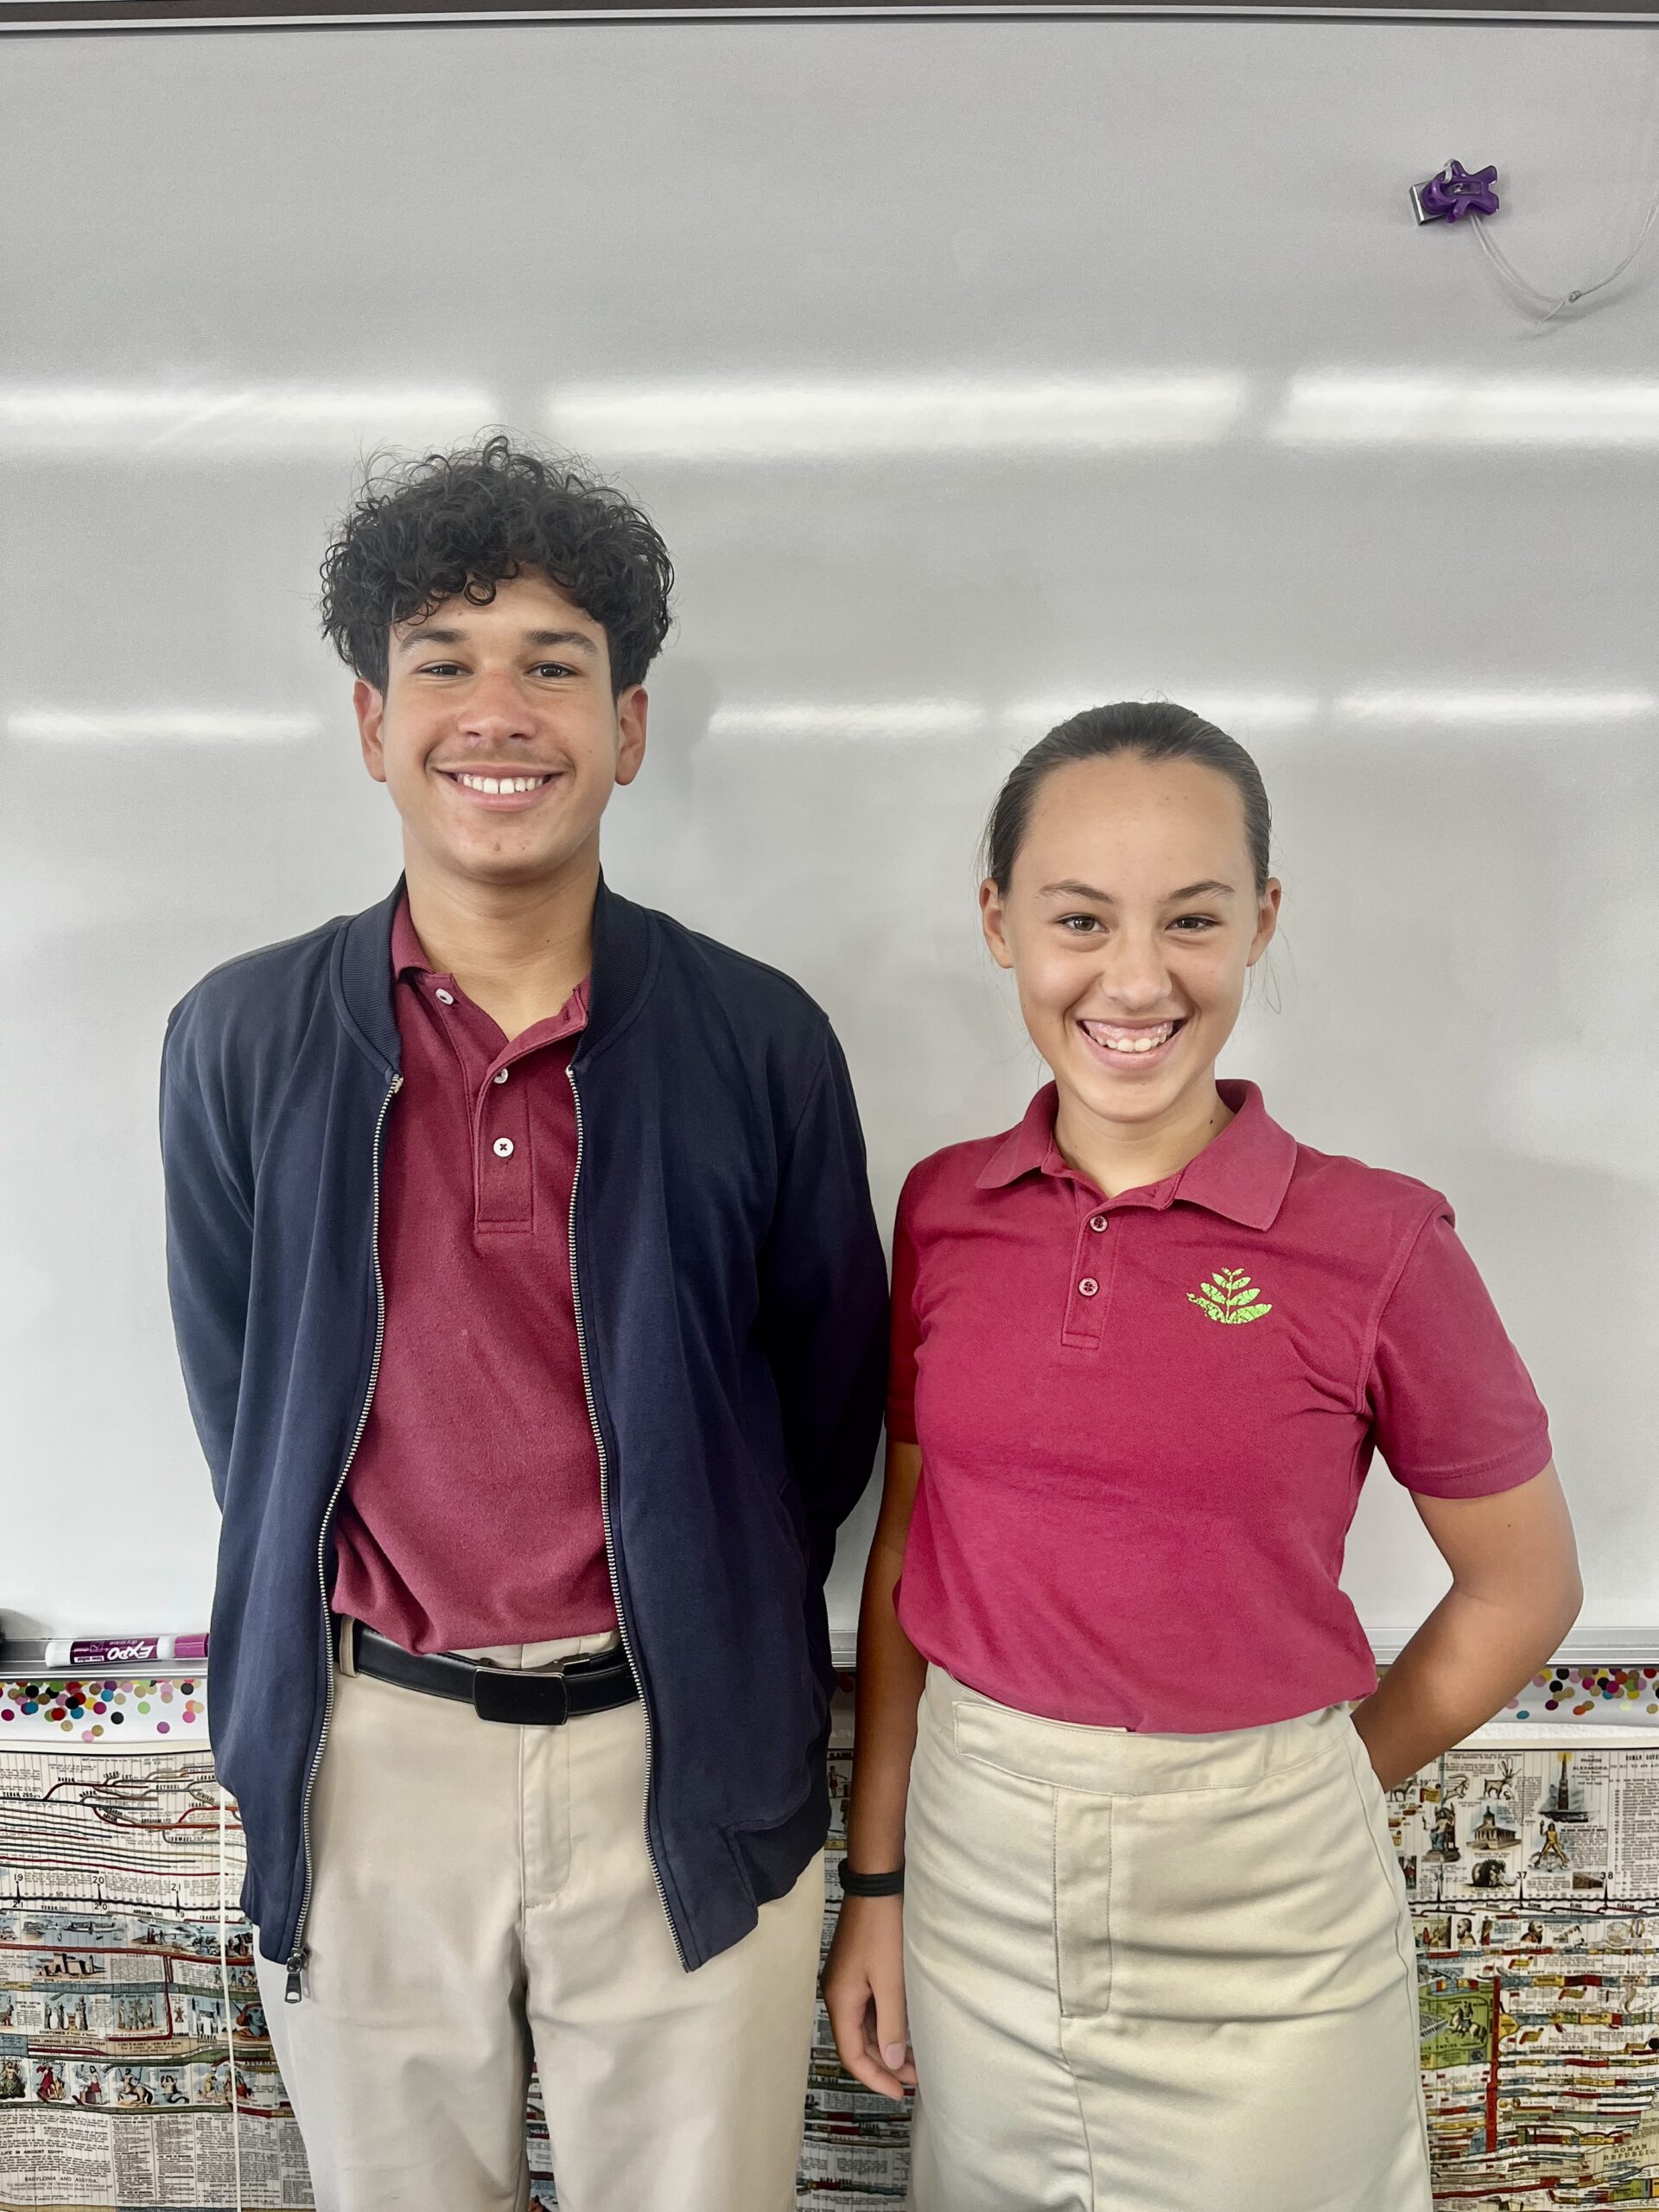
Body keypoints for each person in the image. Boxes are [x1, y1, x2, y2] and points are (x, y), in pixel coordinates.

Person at [162, 437, 887, 2211]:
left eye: (555, 660)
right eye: (445, 659)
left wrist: (697, 1598)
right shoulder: (241, 1038)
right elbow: (243, 1390)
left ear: (629, 725)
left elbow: (825, 1402)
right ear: (371, 720)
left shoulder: (758, 1039)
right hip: (365, 1753)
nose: (501, 707)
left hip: (684, 1746)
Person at [823, 703, 1580, 2212]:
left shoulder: (1380, 1240)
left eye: (1192, 921)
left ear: (1260, 924)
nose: (1134, 977)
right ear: (999, 925)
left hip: (1268, 1916)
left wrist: (1312, 1782)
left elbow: (1524, 1587)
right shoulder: (945, 1208)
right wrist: (878, 1883)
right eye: (1079, 920)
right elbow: (910, 1554)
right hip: (978, 1873)